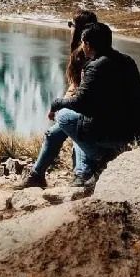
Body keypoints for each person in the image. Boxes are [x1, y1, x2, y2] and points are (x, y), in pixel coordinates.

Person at [18, 22, 140, 188]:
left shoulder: (96, 66)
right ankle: (39, 174)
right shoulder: (127, 61)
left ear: (87, 44)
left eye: (82, 43)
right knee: (57, 131)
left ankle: (96, 161)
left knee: (64, 116)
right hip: (129, 126)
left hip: (110, 130)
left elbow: (81, 103)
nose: (82, 46)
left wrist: (56, 103)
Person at [64, 10, 98, 182]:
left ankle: (82, 173)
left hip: (91, 110)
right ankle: (37, 174)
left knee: (72, 126)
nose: (69, 28)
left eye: (70, 25)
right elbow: (75, 87)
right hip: (89, 107)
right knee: (56, 129)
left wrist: (61, 104)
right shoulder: (95, 50)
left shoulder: (84, 55)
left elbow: (82, 90)